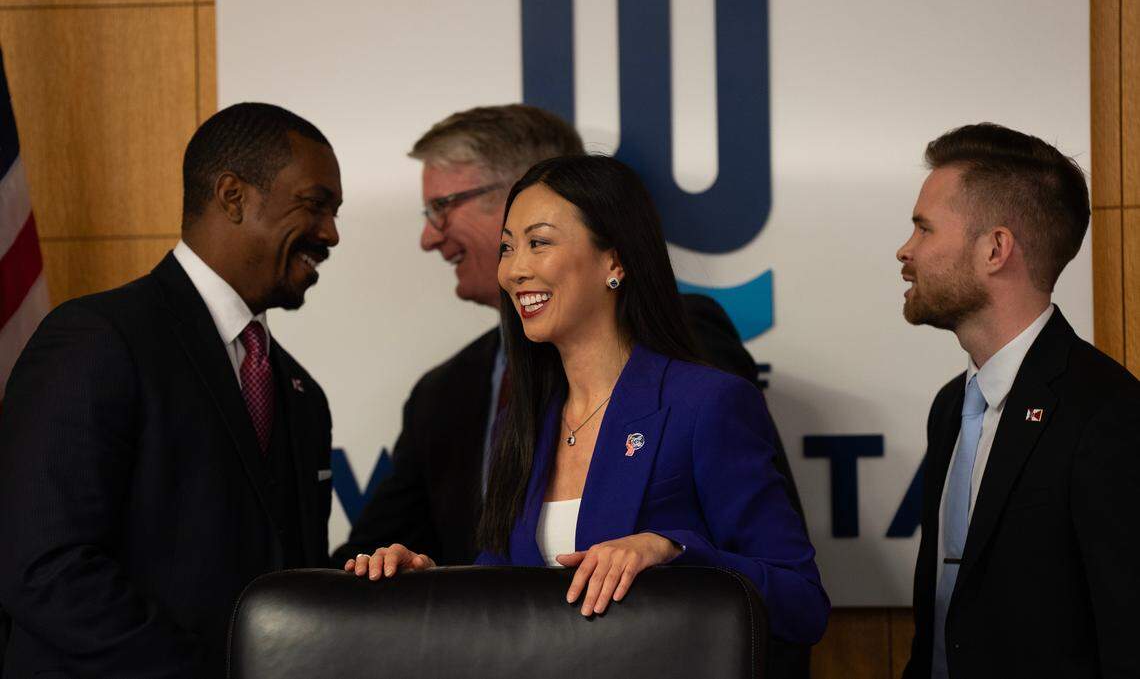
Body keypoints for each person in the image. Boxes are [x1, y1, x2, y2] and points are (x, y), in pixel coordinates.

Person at [347, 155, 830, 647]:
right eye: (507, 248)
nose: (514, 270)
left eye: (538, 243)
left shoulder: (707, 403)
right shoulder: (522, 420)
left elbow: (801, 602)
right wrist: (430, 581)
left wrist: (672, 551)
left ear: (614, 261)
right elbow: (509, 595)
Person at [0, 103, 342, 678]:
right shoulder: (96, 340)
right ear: (233, 195)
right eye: (315, 205)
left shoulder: (302, 394)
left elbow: (291, 583)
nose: (331, 233)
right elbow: (44, 567)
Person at [896, 123, 1140, 679]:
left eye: (924, 228)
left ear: (995, 248)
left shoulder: (1107, 414)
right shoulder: (949, 407)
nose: (905, 250)